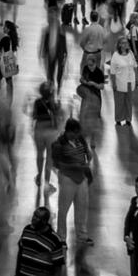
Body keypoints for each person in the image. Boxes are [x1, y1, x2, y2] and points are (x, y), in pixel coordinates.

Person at [51, 117, 94, 248]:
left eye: (78, 133)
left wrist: (87, 157)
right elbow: (57, 164)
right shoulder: (59, 144)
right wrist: (76, 166)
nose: (77, 135)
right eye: (75, 133)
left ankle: (82, 235)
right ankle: (61, 237)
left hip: (81, 178)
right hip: (67, 179)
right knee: (63, 209)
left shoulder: (79, 139)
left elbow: (88, 153)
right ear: (68, 131)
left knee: (82, 207)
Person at [32, 81, 59, 194]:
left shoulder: (37, 102)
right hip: (50, 131)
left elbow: (34, 116)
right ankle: (47, 183)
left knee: (39, 154)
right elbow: (57, 115)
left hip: (39, 129)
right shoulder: (54, 103)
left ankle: (39, 176)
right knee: (49, 158)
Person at [109, 33, 138, 127]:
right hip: (120, 82)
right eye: (124, 43)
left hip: (130, 81)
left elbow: (135, 66)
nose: (126, 45)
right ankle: (118, 119)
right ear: (120, 44)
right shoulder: (115, 56)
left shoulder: (130, 53)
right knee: (119, 102)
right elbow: (112, 71)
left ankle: (128, 119)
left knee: (129, 102)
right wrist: (113, 83)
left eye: (127, 43)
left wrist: (136, 80)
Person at [77, 54, 105, 149]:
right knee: (83, 115)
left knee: (94, 119)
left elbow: (102, 86)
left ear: (95, 63)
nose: (89, 67)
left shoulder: (99, 72)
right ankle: (82, 136)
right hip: (86, 94)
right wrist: (83, 81)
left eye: (91, 65)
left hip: (95, 96)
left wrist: (93, 83)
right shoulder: (85, 68)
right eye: (88, 65)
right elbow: (82, 78)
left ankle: (93, 139)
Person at [0, 20, 20, 102]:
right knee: (9, 83)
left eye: (5, 27)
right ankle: (9, 102)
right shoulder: (14, 39)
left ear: (8, 29)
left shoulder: (5, 38)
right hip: (10, 62)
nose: (3, 28)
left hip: (2, 62)